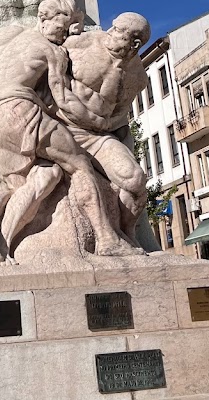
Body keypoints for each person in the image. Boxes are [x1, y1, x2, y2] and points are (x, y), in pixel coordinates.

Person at [0, 0, 131, 262]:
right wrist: (101, 123)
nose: (63, 36)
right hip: (20, 111)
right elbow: (65, 101)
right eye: (62, 29)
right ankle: (108, 239)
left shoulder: (4, 34)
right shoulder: (53, 52)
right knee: (80, 164)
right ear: (43, 20)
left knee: (32, 179)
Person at [53, 13, 151, 247]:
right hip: (60, 126)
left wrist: (110, 129)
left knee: (135, 180)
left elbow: (119, 115)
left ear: (134, 44)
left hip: (97, 136)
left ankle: (129, 235)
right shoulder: (84, 42)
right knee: (79, 176)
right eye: (113, 26)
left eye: (118, 30)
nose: (110, 32)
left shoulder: (137, 77)